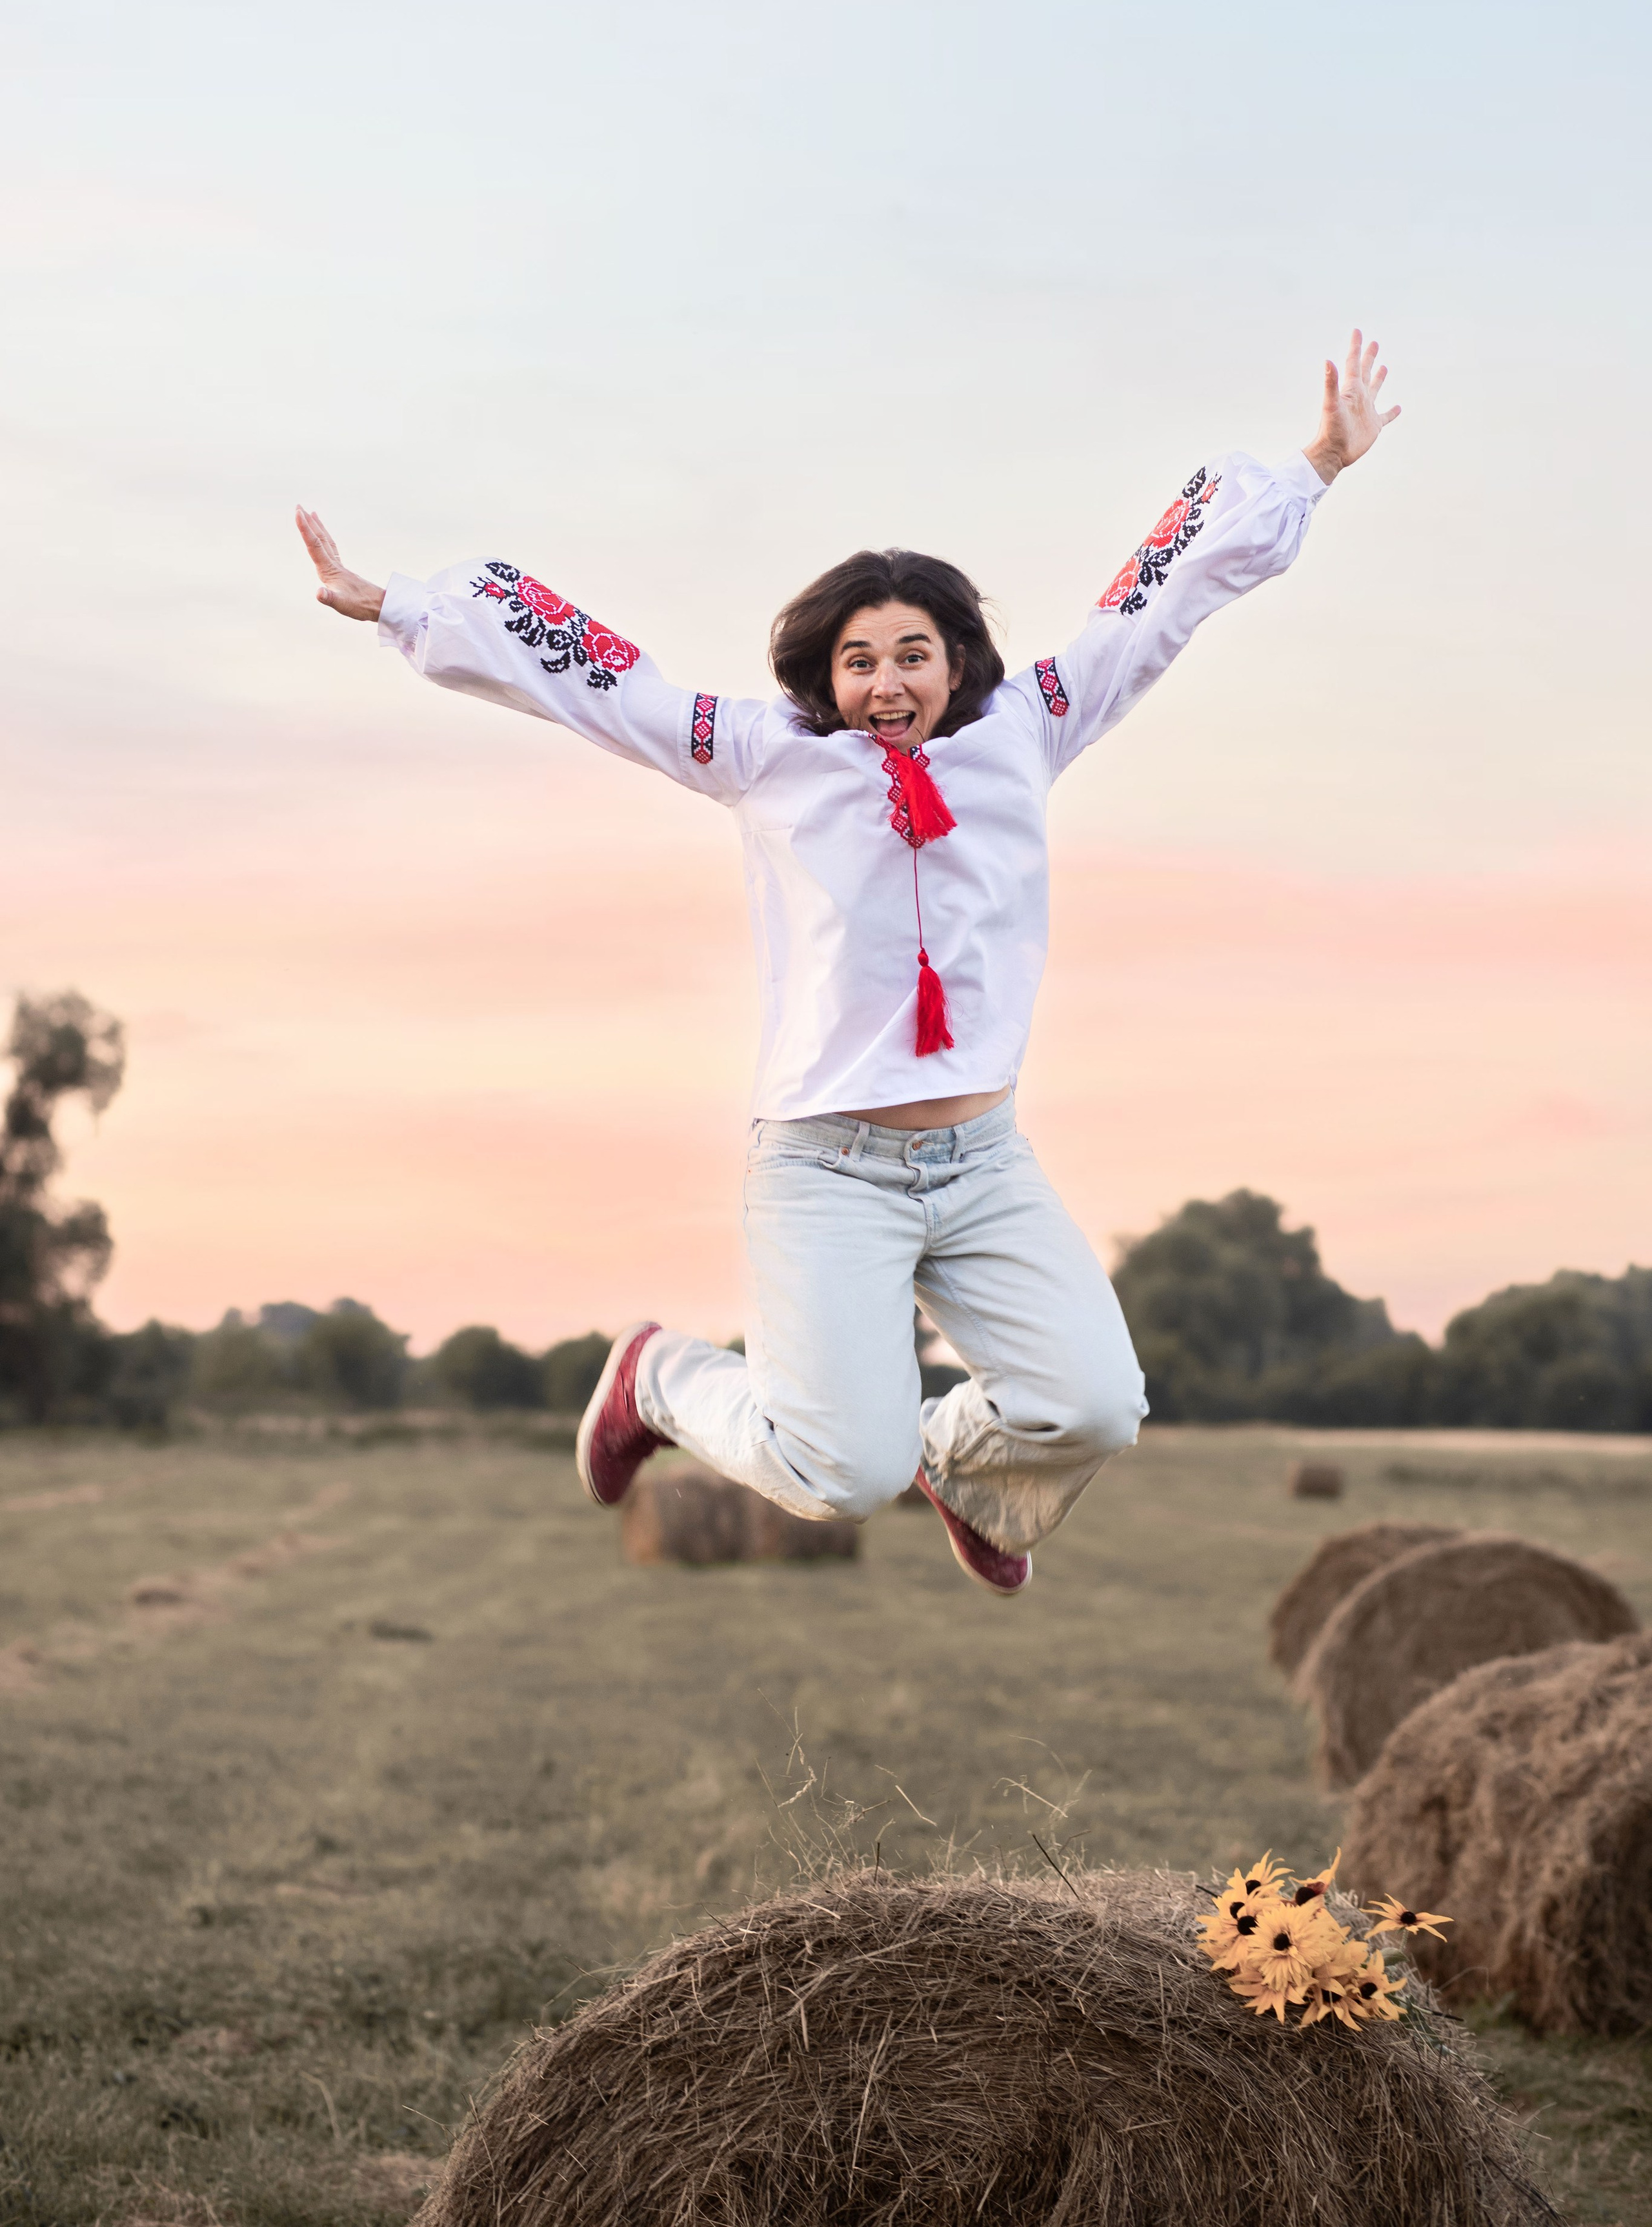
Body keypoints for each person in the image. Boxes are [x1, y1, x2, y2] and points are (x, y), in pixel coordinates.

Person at [297, 332, 1398, 1594]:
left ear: (954, 662)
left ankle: (969, 1472)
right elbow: (600, 682)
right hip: (828, 1167)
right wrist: (400, 607)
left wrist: (1314, 463)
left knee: (1094, 1408)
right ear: (826, 674)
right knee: (839, 1477)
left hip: (979, 1159)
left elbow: (1158, 604)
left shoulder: (1032, 723)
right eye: (857, 660)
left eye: (911, 655)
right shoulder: (766, 754)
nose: (885, 682)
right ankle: (660, 1374)